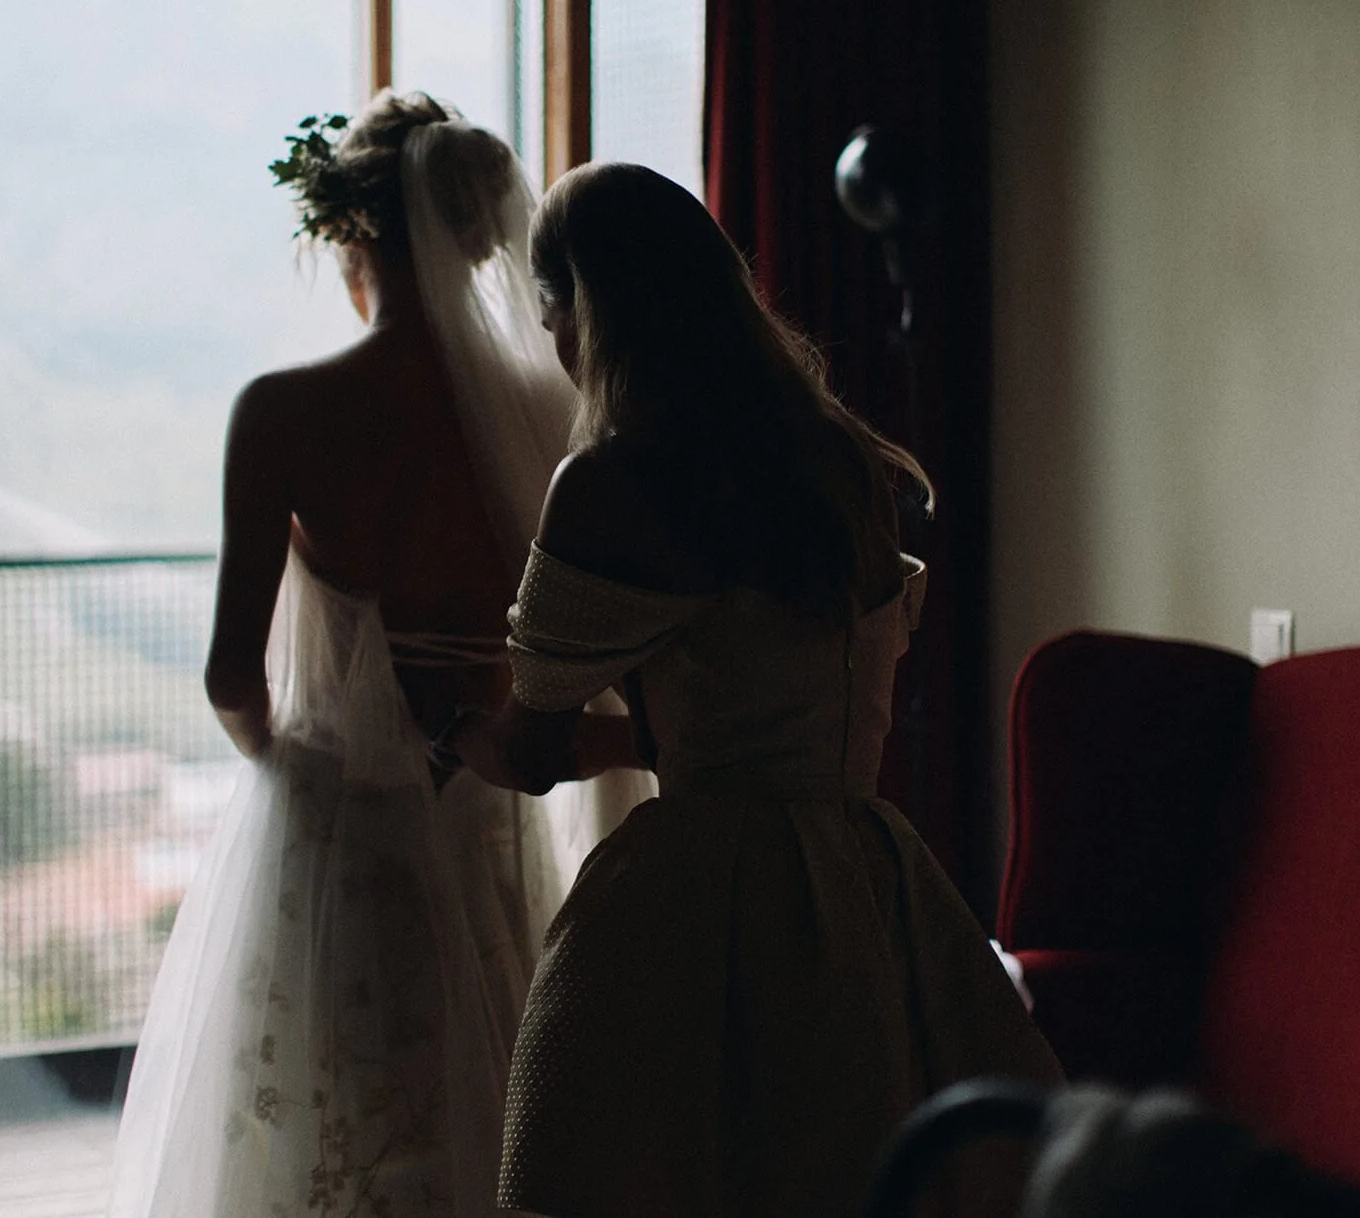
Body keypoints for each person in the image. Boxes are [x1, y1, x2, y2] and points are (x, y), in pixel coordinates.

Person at [441, 161, 1066, 1217]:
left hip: (697, 901)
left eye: (551, 322)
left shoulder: (611, 481)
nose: (553, 352)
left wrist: (453, 726)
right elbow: (761, 708)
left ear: (583, 310)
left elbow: (537, 748)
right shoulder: (841, 461)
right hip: (866, 879)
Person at [107, 93, 628, 1218]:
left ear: (352, 232)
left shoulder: (286, 412)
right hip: (490, 811)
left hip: (344, 827)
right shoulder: (546, 409)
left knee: (333, 1129)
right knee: (490, 1116)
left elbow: (229, 680)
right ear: (478, 235)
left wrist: (293, 759)